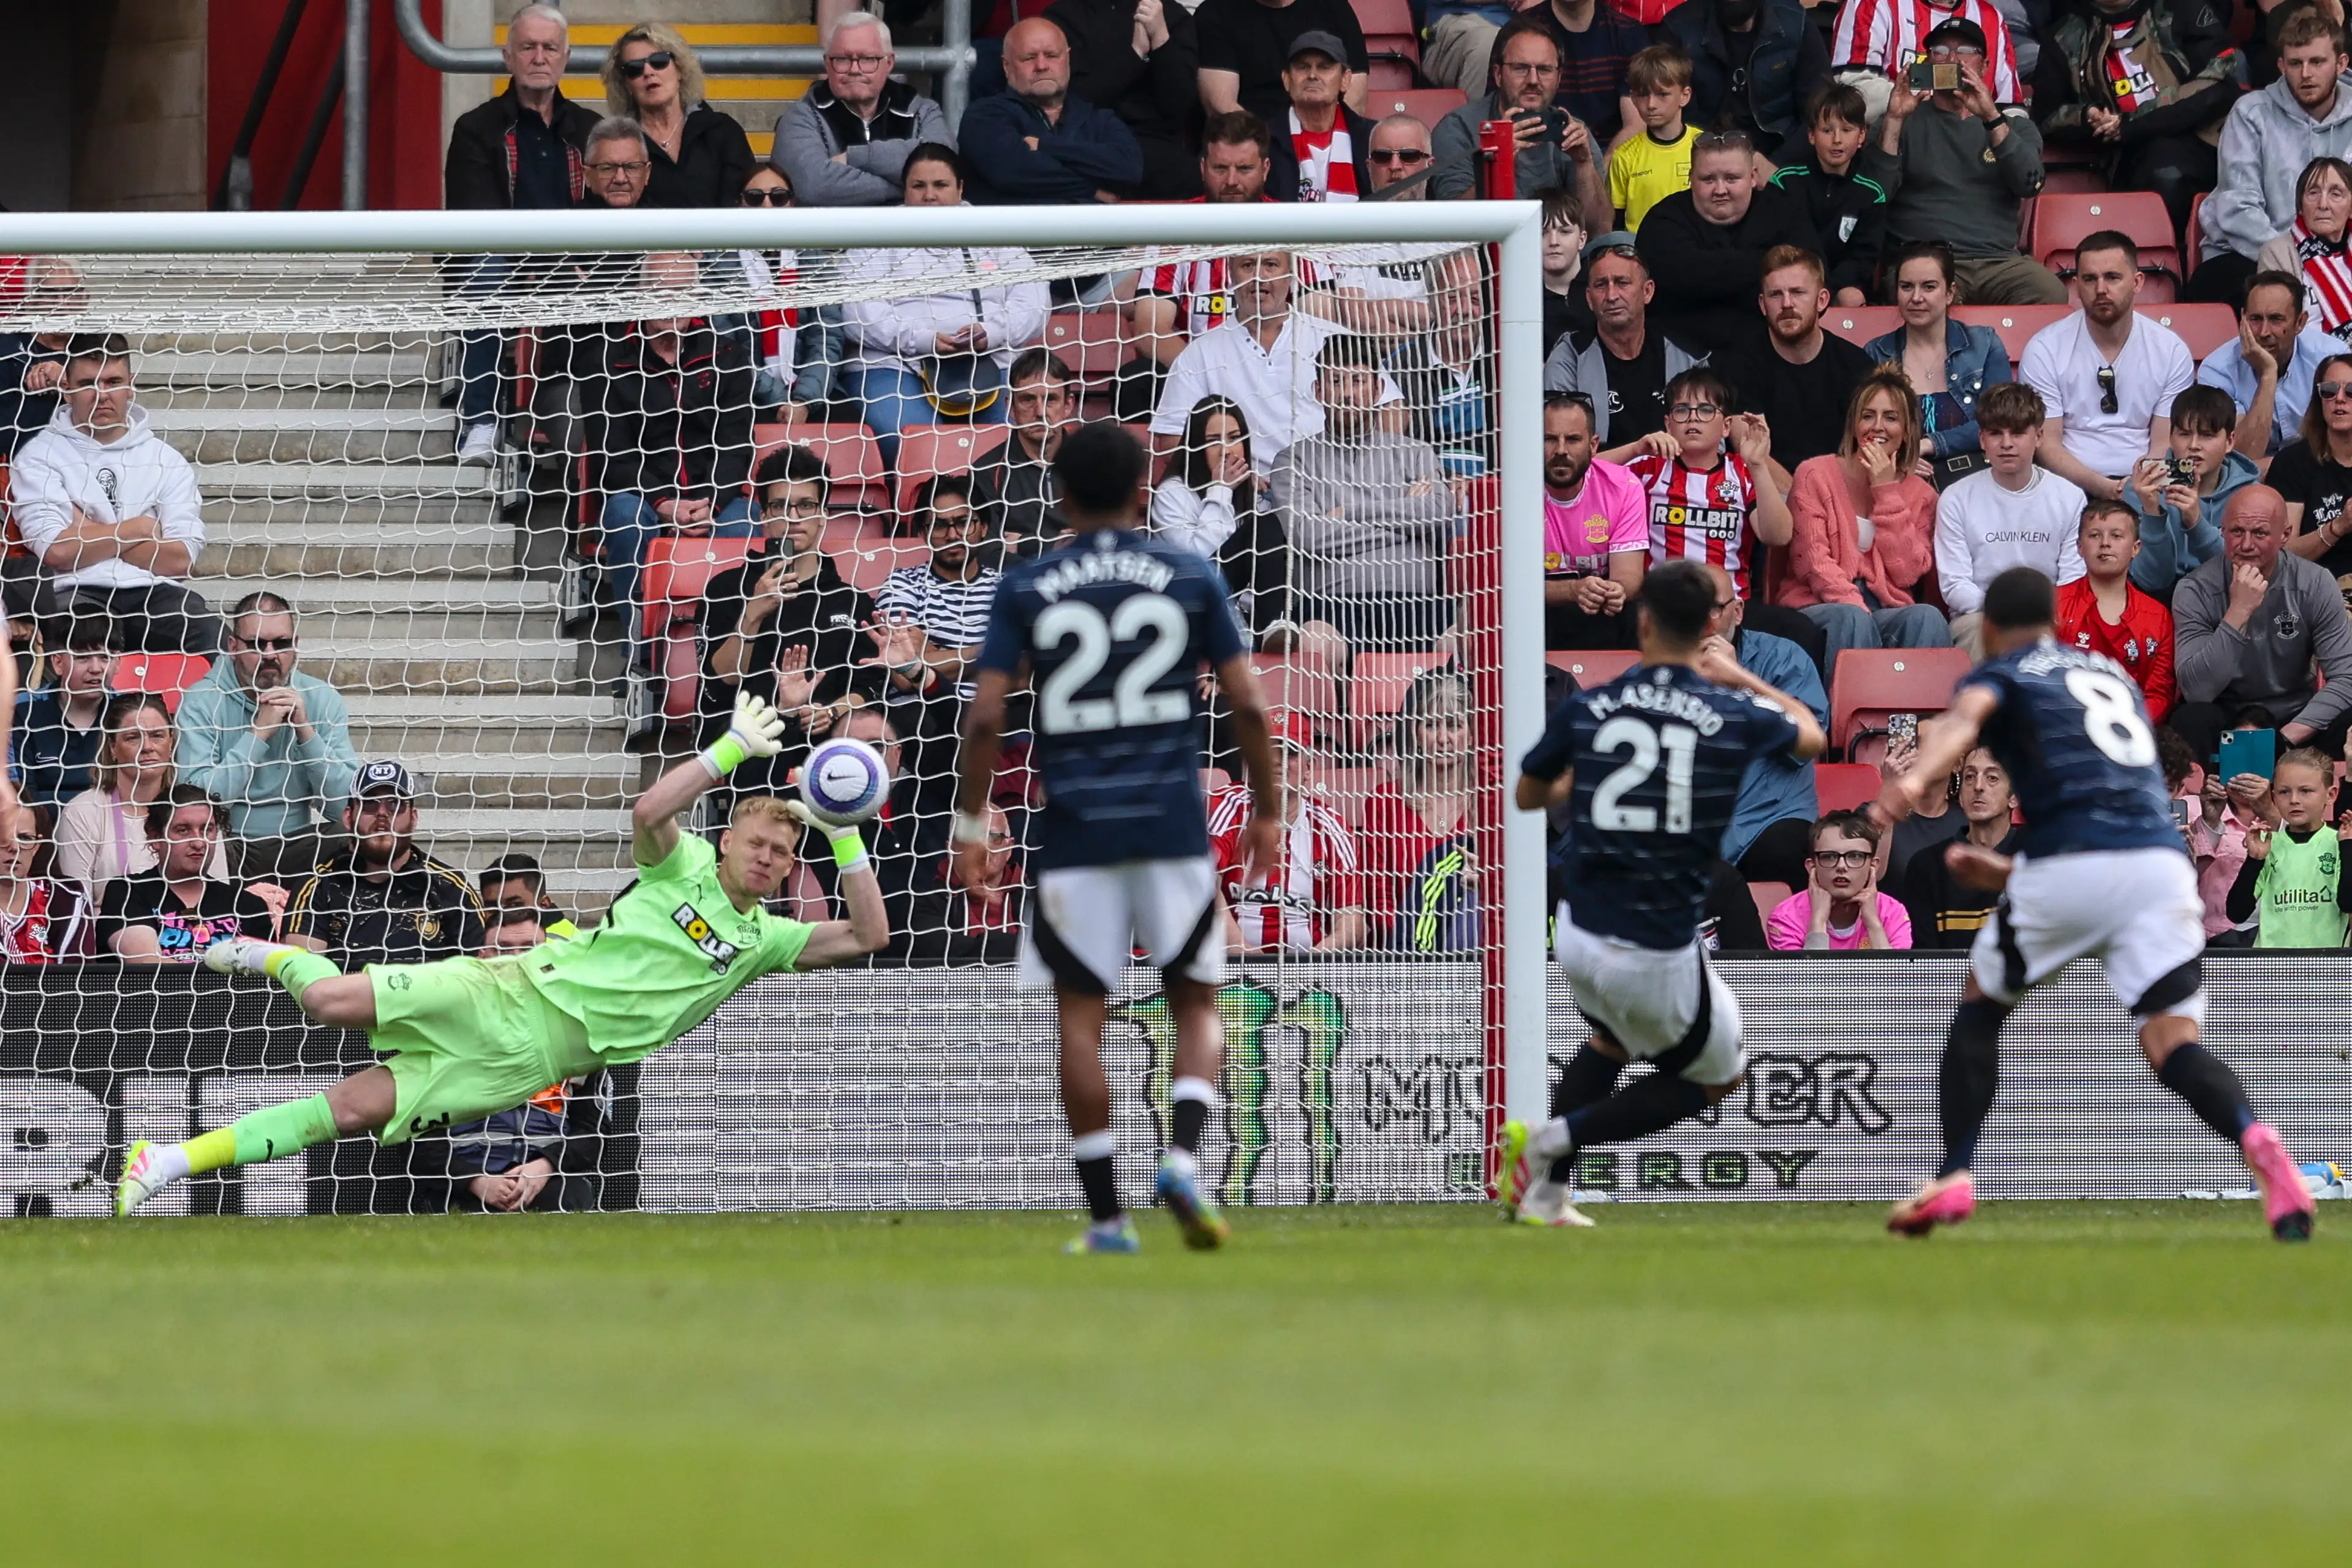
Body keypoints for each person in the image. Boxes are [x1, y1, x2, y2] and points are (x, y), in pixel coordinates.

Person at [118, 693, 891, 1218]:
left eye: (783, 854)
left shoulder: (766, 940)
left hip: (534, 1061)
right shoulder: (681, 862)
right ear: (728, 839)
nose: (766, 859)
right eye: (757, 842)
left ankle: (166, 1163)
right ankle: (252, 951)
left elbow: (869, 937)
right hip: (510, 988)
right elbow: (650, 807)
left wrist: (844, 829)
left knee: (351, 1111)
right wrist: (727, 750)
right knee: (329, 1002)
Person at [1876, 565, 2318, 1242]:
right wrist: (2011, 872)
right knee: (2171, 1040)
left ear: (1989, 629)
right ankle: (2256, 1135)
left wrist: (1906, 789)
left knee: (1981, 1005)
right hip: (2158, 866)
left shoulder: (2004, 670)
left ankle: (1956, 1172)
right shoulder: (2109, 676)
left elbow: (1959, 726)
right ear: (2056, 623)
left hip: (2076, 864)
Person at [953, 421, 1280, 1253]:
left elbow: (987, 715)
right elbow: (1247, 705)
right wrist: (1269, 809)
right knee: (1197, 1003)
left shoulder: (1029, 585)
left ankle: (1106, 1217)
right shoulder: (1189, 572)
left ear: (1058, 493)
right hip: (1172, 824)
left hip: (1074, 831)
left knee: (1080, 1022)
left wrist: (971, 823)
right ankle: (1181, 1157)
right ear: (1146, 490)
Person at [1500, 560, 1826, 1227]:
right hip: (1656, 938)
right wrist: (1738, 674)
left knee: (1610, 1044)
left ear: (1641, 623)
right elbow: (1813, 735)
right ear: (1711, 624)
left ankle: (1545, 1196)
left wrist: (1585, 786)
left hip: (1582, 931)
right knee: (1718, 1078)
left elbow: (1529, 794)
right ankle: (1552, 1142)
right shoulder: (1727, 708)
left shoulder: (1591, 703)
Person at [442, 4, 598, 464]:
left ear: (565, 58)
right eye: (527, 47)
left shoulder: (588, 130)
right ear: (508, 57)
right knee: (487, 268)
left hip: (573, 268)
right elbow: (479, 219)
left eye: (549, 47)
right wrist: (549, 261)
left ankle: (605, 422)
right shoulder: (475, 128)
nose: (538, 57)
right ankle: (483, 423)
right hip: (506, 266)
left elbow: (601, 210)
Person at [11, 334, 221, 657]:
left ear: (130, 385)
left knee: (212, 635)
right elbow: (57, 552)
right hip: (76, 593)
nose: (102, 396)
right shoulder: (39, 456)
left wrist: (90, 531)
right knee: (82, 645)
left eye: (113, 382)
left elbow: (180, 561)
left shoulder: (166, 459)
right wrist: (138, 529)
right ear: (66, 388)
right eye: (88, 384)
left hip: (154, 593)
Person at [839, 145, 1049, 463]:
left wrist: (991, 333)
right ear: (905, 190)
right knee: (915, 440)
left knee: (1011, 440)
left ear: (961, 188)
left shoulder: (996, 229)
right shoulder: (873, 234)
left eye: (941, 186)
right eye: (918, 186)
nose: (929, 196)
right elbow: (858, 315)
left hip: (990, 361)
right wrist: (922, 339)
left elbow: (1034, 302)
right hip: (893, 365)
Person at [587, 251, 761, 635]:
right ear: (640, 293)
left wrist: (709, 504)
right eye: (660, 291)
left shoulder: (727, 355)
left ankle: (727, 648)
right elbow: (612, 454)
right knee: (623, 513)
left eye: (683, 292)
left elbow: (736, 445)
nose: (672, 303)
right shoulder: (609, 360)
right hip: (645, 498)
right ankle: (640, 650)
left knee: (746, 519)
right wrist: (665, 504)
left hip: (714, 497)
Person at [699, 444, 877, 797]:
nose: (793, 517)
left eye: (806, 505)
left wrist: (834, 710)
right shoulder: (726, 587)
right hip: (750, 754)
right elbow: (719, 684)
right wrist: (754, 612)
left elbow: (871, 687)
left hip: (830, 756)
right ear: (764, 515)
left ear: (824, 513)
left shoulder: (851, 600)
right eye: (780, 506)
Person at [1269, 334, 1458, 660]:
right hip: (1331, 607)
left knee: (1466, 637)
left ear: (1377, 390)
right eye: (1336, 381)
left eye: (1357, 381)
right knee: (1315, 640)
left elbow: (1438, 511)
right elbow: (1308, 535)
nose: (1346, 393)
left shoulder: (1416, 452)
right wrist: (1405, 518)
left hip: (1417, 605)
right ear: (1318, 391)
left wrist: (1347, 513)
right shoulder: (1293, 459)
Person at [1862, 19, 2067, 307]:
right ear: (1928, 61)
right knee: (1927, 298)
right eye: (1940, 50)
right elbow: (1875, 196)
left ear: (1984, 67)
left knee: (2049, 292)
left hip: (1998, 262)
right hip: (1925, 261)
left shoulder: (2014, 127)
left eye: (1966, 50)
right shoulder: (1898, 120)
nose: (1952, 58)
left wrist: (1992, 118)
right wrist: (1895, 120)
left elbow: (2029, 183)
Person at [173, 591, 361, 881]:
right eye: (257, 644)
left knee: (367, 830)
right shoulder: (201, 700)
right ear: (233, 646)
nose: (270, 654)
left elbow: (343, 809)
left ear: (296, 646)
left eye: (282, 644)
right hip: (227, 847)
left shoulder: (321, 698)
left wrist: (306, 732)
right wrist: (258, 735)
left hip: (300, 844)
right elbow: (196, 804)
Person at [1150, 249, 1387, 467]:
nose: (1258, 277)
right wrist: (1232, 476)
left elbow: (1392, 408)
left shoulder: (1335, 337)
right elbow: (1171, 439)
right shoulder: (1199, 353)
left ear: (1291, 275)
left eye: (1271, 265)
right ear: (1231, 275)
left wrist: (1360, 470)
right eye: (1247, 265)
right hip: (1243, 500)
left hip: (1333, 485)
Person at [2032, 0, 2242, 245]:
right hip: (2127, 157)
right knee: (2159, 168)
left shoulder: (2183, 9)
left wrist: (2131, 124)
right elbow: (2046, 116)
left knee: (2169, 169)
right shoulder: (2065, 35)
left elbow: (2219, 84)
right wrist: (2088, 116)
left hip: (2202, 142)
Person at [1780, 368, 1951, 666]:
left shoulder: (1923, 495)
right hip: (1821, 605)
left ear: (1909, 429)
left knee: (1927, 617)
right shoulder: (1815, 475)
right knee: (1852, 619)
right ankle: (1845, 714)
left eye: (1891, 417)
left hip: (1883, 607)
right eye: (1868, 416)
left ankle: (1920, 713)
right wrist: (1856, 606)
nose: (1877, 427)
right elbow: (1812, 561)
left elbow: (1907, 574)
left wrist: (1886, 489)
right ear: (1854, 425)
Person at [2171, 485, 2352, 760]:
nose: (2246, 545)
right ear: (2222, 531)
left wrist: (2285, 739)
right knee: (2191, 718)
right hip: (2227, 715)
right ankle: (2207, 799)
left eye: (2260, 533)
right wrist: (2238, 612)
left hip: (2295, 716)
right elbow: (2197, 690)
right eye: (2236, 532)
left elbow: (2346, 676)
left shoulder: (2314, 583)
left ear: (2285, 535)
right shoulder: (2195, 589)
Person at [2019, 231, 2196, 503]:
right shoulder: (2044, 348)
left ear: (2137, 282)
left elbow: (2165, 442)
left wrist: (2138, 489)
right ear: (2076, 285)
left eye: (2113, 277)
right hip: (2067, 484)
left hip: (2149, 483)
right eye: (2090, 279)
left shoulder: (2170, 350)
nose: (2101, 289)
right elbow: (2046, 445)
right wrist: (2102, 488)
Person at [2196, 12, 2352, 307]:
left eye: (2317, 62)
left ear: (2341, 64)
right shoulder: (2251, 113)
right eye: (2295, 63)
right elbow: (2238, 208)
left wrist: (2328, 262)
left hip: (2340, 256)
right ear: (2281, 66)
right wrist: (2294, 256)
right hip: (2250, 253)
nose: (2306, 74)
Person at [282, 763, 487, 971]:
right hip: (344, 1002)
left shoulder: (451, 889)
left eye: (395, 805)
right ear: (348, 817)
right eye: (370, 804)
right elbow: (304, 981)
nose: (382, 813)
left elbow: (482, 976)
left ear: (414, 818)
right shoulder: (317, 886)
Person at [1936, 382, 2086, 655]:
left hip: (2049, 617)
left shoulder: (2070, 497)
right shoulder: (1955, 498)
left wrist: (2035, 617)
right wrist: (2005, 612)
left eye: (2017, 433)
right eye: (1996, 434)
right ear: (1982, 439)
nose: (2006, 444)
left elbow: (2072, 581)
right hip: (1980, 617)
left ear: (2039, 436)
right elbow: (1955, 585)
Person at [1636, 130, 1826, 347]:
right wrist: (1768, 263)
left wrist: (1712, 270)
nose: (1720, 190)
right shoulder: (1662, 220)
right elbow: (1685, 277)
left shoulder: (1784, 211)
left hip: (1773, 352)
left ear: (1753, 177)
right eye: (1708, 179)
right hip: (1682, 356)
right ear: (1690, 179)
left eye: (1732, 178)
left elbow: (1812, 273)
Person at [1705, 562, 1829, 889]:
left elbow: (1805, 743)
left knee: (1788, 851)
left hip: (1769, 816)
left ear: (1738, 611)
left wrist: (1739, 685)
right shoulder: (1667, 669)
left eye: (1715, 609)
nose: (1704, 622)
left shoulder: (1784, 657)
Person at [1209, 712, 1365, 953]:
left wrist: (1311, 963)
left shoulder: (1331, 827)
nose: (1276, 761)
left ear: (1308, 768)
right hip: (1230, 966)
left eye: (1289, 753)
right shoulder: (1227, 808)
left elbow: (1352, 922)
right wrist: (1248, 957)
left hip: (1309, 972)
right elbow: (1202, 891)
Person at [1866, 239, 2015, 486]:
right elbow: (1866, 430)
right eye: (1906, 287)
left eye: (1929, 287)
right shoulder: (1876, 353)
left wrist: (1926, 445)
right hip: (1901, 482)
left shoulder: (1984, 344)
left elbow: (2000, 421)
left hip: (1977, 480)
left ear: (1950, 293)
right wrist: (1899, 458)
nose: (1916, 297)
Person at [1712, 246, 1875, 472]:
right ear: (1762, 304)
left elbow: (1869, 449)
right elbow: (1752, 455)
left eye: (1798, 292)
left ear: (1822, 300)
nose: (1787, 303)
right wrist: (1801, 500)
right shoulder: (1738, 365)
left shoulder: (1857, 366)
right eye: (1776, 294)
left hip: (1841, 491)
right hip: (1767, 495)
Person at [771, 12, 954, 208]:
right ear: (827, 63)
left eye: (867, 59)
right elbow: (815, 186)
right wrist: (910, 189)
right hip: (831, 236)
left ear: (889, 63)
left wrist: (855, 157)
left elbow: (942, 165)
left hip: (912, 235)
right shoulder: (799, 119)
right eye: (843, 59)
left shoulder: (924, 112)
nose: (855, 69)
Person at [1542, 236, 1709, 450]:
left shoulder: (1688, 357)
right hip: (1598, 481)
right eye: (1601, 285)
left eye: (1622, 283)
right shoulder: (1570, 356)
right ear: (1589, 298)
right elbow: (1562, 456)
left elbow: (1710, 449)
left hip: (1673, 478)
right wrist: (1635, 453)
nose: (1612, 295)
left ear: (1648, 291)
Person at [1151, 395, 1292, 646]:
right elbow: (1199, 562)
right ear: (1195, 446)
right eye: (1213, 441)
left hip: (1245, 613)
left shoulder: (1253, 491)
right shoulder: (1172, 493)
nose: (1227, 450)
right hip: (1193, 604)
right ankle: (1273, 624)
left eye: (1234, 438)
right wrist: (1221, 491)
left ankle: (1275, 629)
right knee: (1264, 527)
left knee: (1270, 524)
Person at [960, 17, 1145, 205]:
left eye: (1051, 55)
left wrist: (1045, 146)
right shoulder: (984, 116)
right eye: (1029, 58)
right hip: (1013, 232)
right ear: (1006, 66)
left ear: (1067, 59)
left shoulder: (1100, 119)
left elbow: (1129, 169)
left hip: (1089, 233)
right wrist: (1091, 189)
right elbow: (1013, 172)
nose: (1041, 66)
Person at [1430, 18, 1608, 213]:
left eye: (1544, 70)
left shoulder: (1572, 131)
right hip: (1489, 242)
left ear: (1559, 78)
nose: (1533, 80)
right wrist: (1499, 165)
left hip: (1556, 242)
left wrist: (1583, 164)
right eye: (1521, 68)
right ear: (1498, 75)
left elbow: (1600, 230)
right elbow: (1454, 224)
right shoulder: (1458, 128)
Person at [53, 693, 222, 898]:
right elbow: (77, 905)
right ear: (113, 747)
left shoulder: (197, 810)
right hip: (110, 927)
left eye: (157, 736)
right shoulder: (84, 811)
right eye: (133, 737)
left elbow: (220, 894)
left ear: (171, 742)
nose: (148, 747)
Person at [1360, 668, 1479, 943]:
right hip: (1401, 950)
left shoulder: (1487, 804)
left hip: (1472, 948)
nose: (1442, 739)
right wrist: (1413, 947)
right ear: (1415, 733)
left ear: (1471, 734)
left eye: (1453, 725)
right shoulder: (1384, 802)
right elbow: (1378, 896)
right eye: (1430, 725)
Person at [1043, 0, 1203, 200]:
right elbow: (1070, 101)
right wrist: (1135, 54)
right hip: (1085, 142)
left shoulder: (1172, 16)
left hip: (1153, 143)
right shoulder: (1062, 17)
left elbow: (1180, 104)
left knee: (1185, 174)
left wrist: (1161, 39)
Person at [93, 786, 273, 963]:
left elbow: (267, 977)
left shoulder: (248, 906)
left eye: (207, 830)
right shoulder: (127, 892)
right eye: (183, 830)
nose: (198, 842)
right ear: (155, 838)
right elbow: (148, 966)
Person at [2124, 383, 2258, 603]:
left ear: (2230, 441)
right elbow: (2152, 580)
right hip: (2157, 605)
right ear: (2171, 436)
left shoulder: (2249, 496)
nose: (2194, 445)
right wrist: (2153, 513)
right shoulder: (2142, 488)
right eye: (2184, 434)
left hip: (2226, 601)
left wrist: (2196, 522)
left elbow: (2239, 574)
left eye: (2207, 435)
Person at [1659, 0, 1832, 168]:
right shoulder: (1679, 29)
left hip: (1781, 159)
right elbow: (1672, 116)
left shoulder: (1797, 23)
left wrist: (1777, 166)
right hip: (1703, 162)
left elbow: (1820, 110)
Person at [601, 24, 753, 209]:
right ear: (626, 84)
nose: (648, 72)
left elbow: (745, 204)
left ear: (680, 69)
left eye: (659, 61)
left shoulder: (723, 132)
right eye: (634, 68)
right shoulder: (616, 145)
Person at [2198, 271, 2342, 462]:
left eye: (2276, 319)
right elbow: (2241, 460)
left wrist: (2283, 467)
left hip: (2319, 467)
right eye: (2255, 319)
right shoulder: (2217, 370)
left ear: (2300, 322)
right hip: (2251, 481)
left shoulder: (2331, 358)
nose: (2264, 332)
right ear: (2243, 318)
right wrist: (2268, 375)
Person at [1766, 85, 1888, 307]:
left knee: (1852, 297)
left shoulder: (1872, 194)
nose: (1837, 140)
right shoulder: (1785, 182)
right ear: (1811, 135)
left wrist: (1829, 289)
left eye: (1847, 130)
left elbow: (1863, 258)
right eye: (1827, 130)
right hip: (1790, 286)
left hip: (1839, 289)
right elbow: (1777, 245)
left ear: (1862, 136)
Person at [1541, 392, 1647, 650]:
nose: (1561, 450)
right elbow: (1506, 587)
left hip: (1602, 612)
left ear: (1594, 445)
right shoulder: (1509, 492)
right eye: (1550, 439)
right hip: (1534, 614)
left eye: (1574, 440)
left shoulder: (1624, 486)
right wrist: (1573, 591)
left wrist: (1617, 591)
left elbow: (1630, 577)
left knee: (1644, 614)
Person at [2057, 499, 2177, 722]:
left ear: (2136, 548)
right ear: (2079, 547)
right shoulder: (2055, 604)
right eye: (2094, 535)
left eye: (2116, 536)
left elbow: (2159, 693)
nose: (2105, 543)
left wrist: (2129, 727)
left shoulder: (2158, 616)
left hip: (2134, 732)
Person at [2225, 745, 2352, 945]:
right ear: (2273, 795)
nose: (2294, 800)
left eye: (2305, 791)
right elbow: (2236, 913)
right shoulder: (2268, 844)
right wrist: (2254, 860)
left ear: (2331, 795)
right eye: (2284, 792)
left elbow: (2348, 903)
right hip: (2272, 968)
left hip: (2326, 968)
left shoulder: (2340, 843)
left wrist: (2348, 848)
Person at [1194, 0, 1370, 130]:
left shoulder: (1334, 7)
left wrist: (1324, 141)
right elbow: (1222, 105)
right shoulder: (1216, 12)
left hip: (1327, 135)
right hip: (1251, 141)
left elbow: (1356, 92)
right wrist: (1275, 147)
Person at [1901, 747, 2016, 946]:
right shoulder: (1927, 865)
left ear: (2014, 797)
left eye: (1993, 778)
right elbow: (1925, 961)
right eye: (1970, 777)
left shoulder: (2036, 856)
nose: (1978, 786)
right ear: (1961, 796)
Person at [970, 349, 1075, 561]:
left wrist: (1026, 544)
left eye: (1051, 399)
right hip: (1020, 587)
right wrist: (1061, 543)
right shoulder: (987, 471)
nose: (1040, 412)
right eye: (1028, 400)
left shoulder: (1097, 464)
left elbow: (1108, 541)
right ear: (1010, 407)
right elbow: (987, 554)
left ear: (1068, 406)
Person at [1502, 0, 1651, 148]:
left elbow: (1637, 124)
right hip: (1538, 154)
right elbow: (1500, 113)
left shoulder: (1628, 33)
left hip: (1611, 157)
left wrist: (1598, 168)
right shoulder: (1517, 35)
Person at [1833, 0, 2024, 108]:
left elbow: (2011, 108)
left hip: (1974, 158)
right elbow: (1852, 91)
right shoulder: (1873, 3)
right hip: (1896, 149)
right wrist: (1935, 113)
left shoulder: (1991, 18)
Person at [1765, 811, 1913, 949]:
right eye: (1829, 857)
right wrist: (1818, 922)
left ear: (1873, 866)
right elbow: (1808, 978)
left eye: (1855, 856)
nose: (1841, 866)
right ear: (1812, 866)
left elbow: (1893, 977)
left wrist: (1873, 924)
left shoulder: (1893, 913)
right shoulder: (1785, 918)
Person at [10, 616, 112, 814]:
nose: (96, 669)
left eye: (105, 657)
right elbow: (20, 796)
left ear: (118, 662)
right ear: (58, 663)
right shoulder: (22, 711)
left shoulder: (128, 712)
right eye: (82, 657)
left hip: (111, 833)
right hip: (44, 834)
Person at [1264, 31, 1379, 203]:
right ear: (1286, 79)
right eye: (1303, 67)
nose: (1312, 75)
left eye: (1324, 67)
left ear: (1345, 80)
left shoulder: (1373, 137)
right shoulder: (1263, 140)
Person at [2269, 350, 2352, 581]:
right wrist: (2339, 526)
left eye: (2351, 391)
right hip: (2314, 589)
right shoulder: (2292, 462)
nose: (2340, 399)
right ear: (2319, 400)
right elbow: (2283, 554)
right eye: (2329, 391)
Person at [2258, 156, 2352, 341]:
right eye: (2313, 193)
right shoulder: (2278, 253)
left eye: (2336, 194)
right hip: (2306, 363)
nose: (2323, 205)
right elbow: (2276, 330)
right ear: (2300, 206)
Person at [1608, 44, 1700, 230]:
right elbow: (1616, 223)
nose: (1651, 104)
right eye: (1643, 95)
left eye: (1663, 94)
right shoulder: (1624, 156)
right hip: (1640, 254)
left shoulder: (1705, 147)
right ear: (1632, 97)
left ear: (1685, 96)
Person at [0, 802, 94, 963]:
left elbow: (80, 977)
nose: (14, 847)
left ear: (36, 846)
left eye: (24, 838)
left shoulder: (67, 899)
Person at [1539, 190, 1594, 353]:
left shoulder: (1604, 286)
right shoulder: (1522, 299)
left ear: (1582, 240)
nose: (1554, 242)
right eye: (1543, 233)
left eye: (1564, 232)